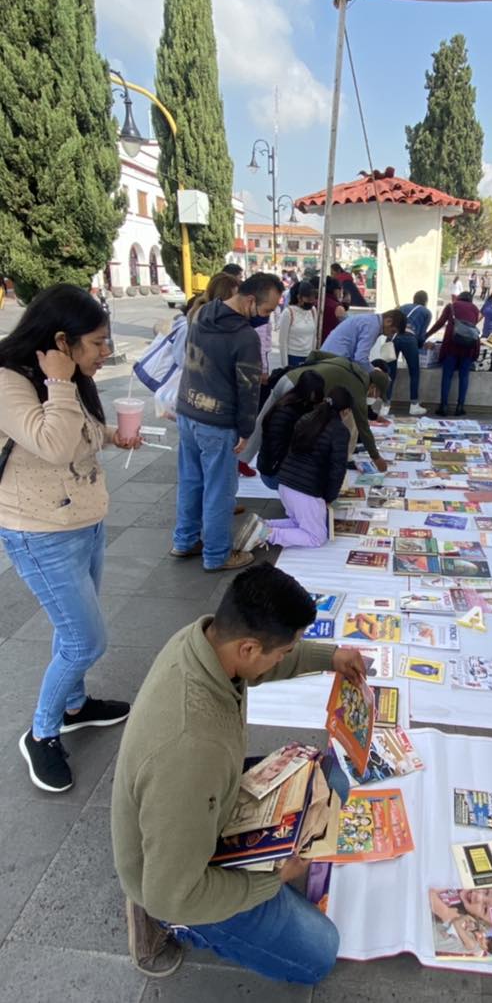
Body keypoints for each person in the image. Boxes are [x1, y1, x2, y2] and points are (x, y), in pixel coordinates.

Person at [112, 563, 369, 981]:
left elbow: (270, 659)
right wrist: (272, 881)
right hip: (174, 880)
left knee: (330, 779)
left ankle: (251, 872)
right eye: (284, 651)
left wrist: (331, 657)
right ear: (248, 649)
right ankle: (163, 926)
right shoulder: (191, 748)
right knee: (319, 954)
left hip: (210, 801)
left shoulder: (204, 640)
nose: (286, 657)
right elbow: (172, 893)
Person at [0, 284, 142, 793]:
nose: (106, 353)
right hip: (39, 534)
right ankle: (42, 732)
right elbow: (53, 444)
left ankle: (77, 705)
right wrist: (61, 381)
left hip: (84, 522)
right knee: (86, 638)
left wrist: (112, 435)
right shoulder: (10, 381)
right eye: (98, 343)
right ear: (61, 341)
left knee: (73, 627)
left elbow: (78, 429)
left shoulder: (63, 380)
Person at [172, 273, 284, 572]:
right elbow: (249, 389)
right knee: (219, 491)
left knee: (191, 482)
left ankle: (184, 541)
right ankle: (217, 555)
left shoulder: (201, 313)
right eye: (267, 310)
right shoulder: (244, 337)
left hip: (187, 411)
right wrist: (246, 431)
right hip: (217, 421)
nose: (267, 317)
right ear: (250, 300)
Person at [240, 387, 353, 551]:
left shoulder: (307, 418)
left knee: (297, 523)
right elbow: (338, 469)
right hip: (305, 490)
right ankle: (267, 534)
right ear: (346, 411)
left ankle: (262, 525)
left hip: (285, 483)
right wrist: (329, 497)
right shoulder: (339, 430)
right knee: (317, 537)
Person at [245, 353, 390, 473]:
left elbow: (315, 354)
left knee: (264, 419)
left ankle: (243, 458)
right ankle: (279, 471)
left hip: (289, 378)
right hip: (299, 389)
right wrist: (376, 458)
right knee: (291, 429)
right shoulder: (359, 387)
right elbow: (363, 426)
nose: (375, 398)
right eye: (377, 395)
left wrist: (309, 374)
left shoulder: (349, 365)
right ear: (373, 387)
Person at [254, 370, 325, 490]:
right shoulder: (285, 412)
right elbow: (278, 449)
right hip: (274, 472)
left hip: (279, 466)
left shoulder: (301, 405)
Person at [428, 291, 481, 416]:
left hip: (452, 345)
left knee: (447, 375)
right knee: (464, 376)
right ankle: (460, 406)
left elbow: (440, 323)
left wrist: (427, 334)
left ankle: (444, 406)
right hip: (468, 346)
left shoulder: (451, 306)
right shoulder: (475, 309)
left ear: (459, 298)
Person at [384, 305, 426, 416]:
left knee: (390, 373)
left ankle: (385, 406)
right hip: (409, 338)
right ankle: (414, 405)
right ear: (425, 302)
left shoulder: (403, 307)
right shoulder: (426, 312)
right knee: (414, 372)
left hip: (392, 336)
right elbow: (421, 336)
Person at [278, 280, 319, 368]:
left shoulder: (312, 310)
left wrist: (313, 355)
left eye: (313, 298)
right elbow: (282, 341)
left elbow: (314, 336)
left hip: (308, 356)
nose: (312, 301)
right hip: (293, 356)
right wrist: (285, 366)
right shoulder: (288, 312)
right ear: (299, 297)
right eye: (308, 298)